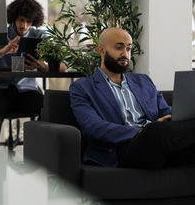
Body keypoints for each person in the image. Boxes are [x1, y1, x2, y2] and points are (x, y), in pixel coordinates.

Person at [70, 27, 195, 169]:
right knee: (156, 131)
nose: (125, 54)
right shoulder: (82, 87)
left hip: (157, 146)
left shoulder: (143, 81)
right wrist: (142, 131)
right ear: (101, 50)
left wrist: (177, 117)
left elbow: (166, 113)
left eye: (129, 49)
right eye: (119, 48)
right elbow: (93, 128)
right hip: (121, 149)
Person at [0, 0, 67, 141]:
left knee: (48, 108)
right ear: (14, 18)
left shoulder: (39, 36)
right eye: (21, 20)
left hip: (26, 91)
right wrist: (4, 51)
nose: (25, 26)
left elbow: (63, 65)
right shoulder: (0, 35)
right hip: (0, 90)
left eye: (29, 22)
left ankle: (40, 153)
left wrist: (45, 67)